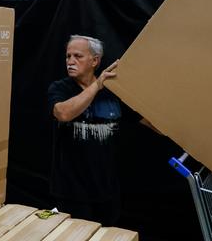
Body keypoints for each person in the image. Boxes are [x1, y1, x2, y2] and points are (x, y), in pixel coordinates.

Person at [47, 35, 143, 226]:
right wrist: (97, 85)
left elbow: (148, 120)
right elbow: (63, 113)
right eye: (68, 56)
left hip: (108, 190)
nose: (71, 61)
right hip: (71, 192)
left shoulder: (114, 92)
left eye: (78, 56)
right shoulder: (60, 88)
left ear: (95, 60)